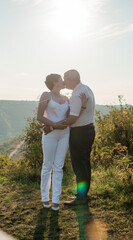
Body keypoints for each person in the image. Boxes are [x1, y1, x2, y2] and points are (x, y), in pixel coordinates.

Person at [37, 73, 87, 211]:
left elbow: (72, 117)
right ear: (54, 82)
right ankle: (45, 197)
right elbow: (39, 116)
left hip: (64, 134)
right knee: (48, 165)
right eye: (61, 79)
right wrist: (53, 125)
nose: (64, 81)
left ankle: (56, 200)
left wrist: (82, 107)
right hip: (50, 135)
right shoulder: (46, 95)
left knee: (59, 167)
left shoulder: (66, 98)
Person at [57, 69, 95, 206]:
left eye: (65, 78)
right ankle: (83, 195)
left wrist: (54, 125)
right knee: (84, 164)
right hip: (89, 129)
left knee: (79, 165)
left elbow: (72, 119)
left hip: (80, 133)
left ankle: (81, 198)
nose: (64, 81)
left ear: (72, 79)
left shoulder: (76, 95)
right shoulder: (86, 88)